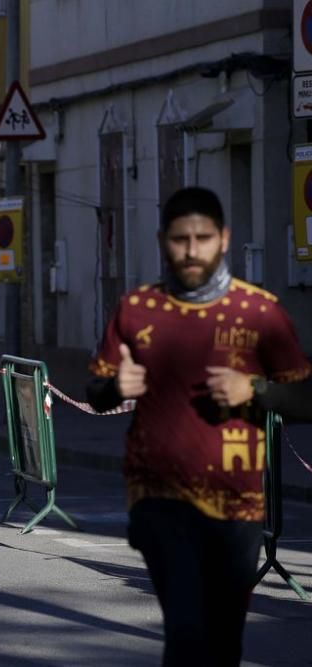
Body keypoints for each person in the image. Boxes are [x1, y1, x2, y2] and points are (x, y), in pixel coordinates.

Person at [85, 187, 311, 666]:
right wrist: (116, 388)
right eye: (180, 239)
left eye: (203, 238)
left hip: (236, 502)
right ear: (161, 240)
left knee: (223, 640)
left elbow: (307, 398)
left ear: (224, 239)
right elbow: (95, 390)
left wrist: (257, 390)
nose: (191, 250)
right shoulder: (136, 309)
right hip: (157, 497)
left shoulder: (261, 313)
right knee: (186, 634)